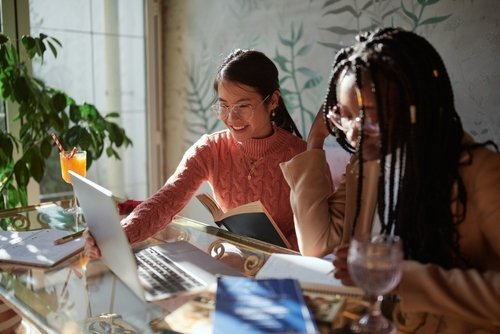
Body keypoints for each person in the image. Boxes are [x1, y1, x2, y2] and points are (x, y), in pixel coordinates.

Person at [280, 27, 500, 332]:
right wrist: (315, 140)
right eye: (343, 115)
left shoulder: (479, 172)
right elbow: (316, 246)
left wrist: (403, 277)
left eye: (371, 115)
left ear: (415, 107)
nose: (354, 132)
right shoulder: (366, 167)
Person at [84, 49, 330, 257]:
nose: (231, 119)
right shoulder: (210, 149)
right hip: (232, 262)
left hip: (287, 269)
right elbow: (166, 201)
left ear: (273, 100)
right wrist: (118, 235)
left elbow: (322, 233)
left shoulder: (302, 155)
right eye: (223, 105)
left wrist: (276, 261)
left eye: (243, 106)